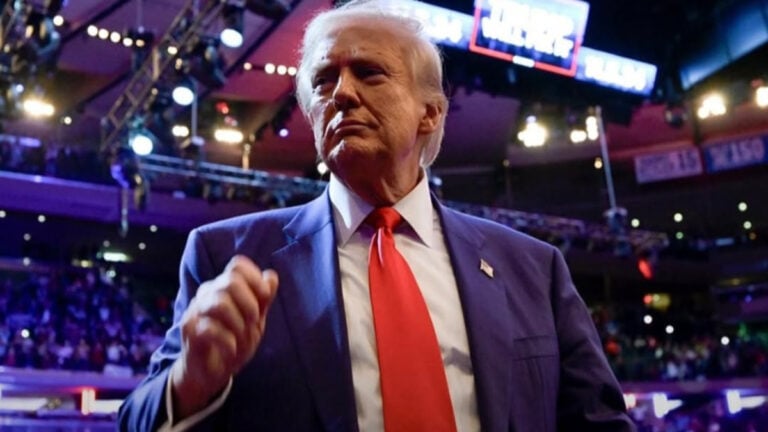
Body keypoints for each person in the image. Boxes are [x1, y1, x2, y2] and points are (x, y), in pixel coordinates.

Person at [118, 0, 635, 430]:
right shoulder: (227, 255)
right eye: (323, 81)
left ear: (430, 112)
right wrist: (191, 382)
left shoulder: (533, 268)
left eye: (369, 73)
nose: (342, 93)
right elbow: (135, 420)